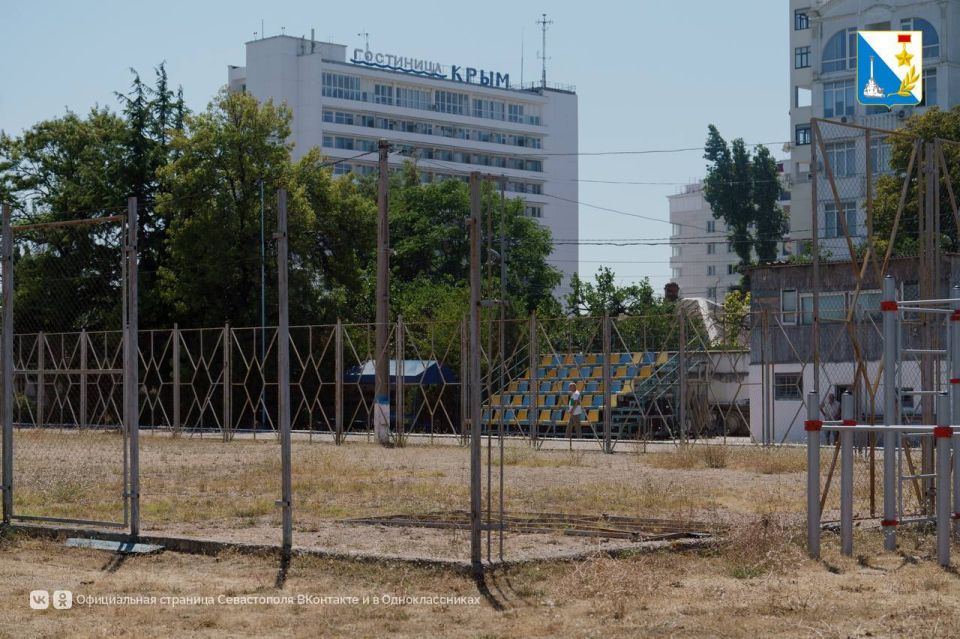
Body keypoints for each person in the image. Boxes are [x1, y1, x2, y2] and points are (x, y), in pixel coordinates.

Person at [565, 382, 583, 449]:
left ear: (573, 387)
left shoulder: (576, 393)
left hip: (575, 413)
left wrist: (572, 410)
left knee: (577, 426)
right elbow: (572, 403)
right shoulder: (574, 393)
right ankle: (567, 438)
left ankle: (579, 439)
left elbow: (576, 403)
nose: (569, 388)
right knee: (569, 425)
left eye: (570, 387)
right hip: (573, 412)